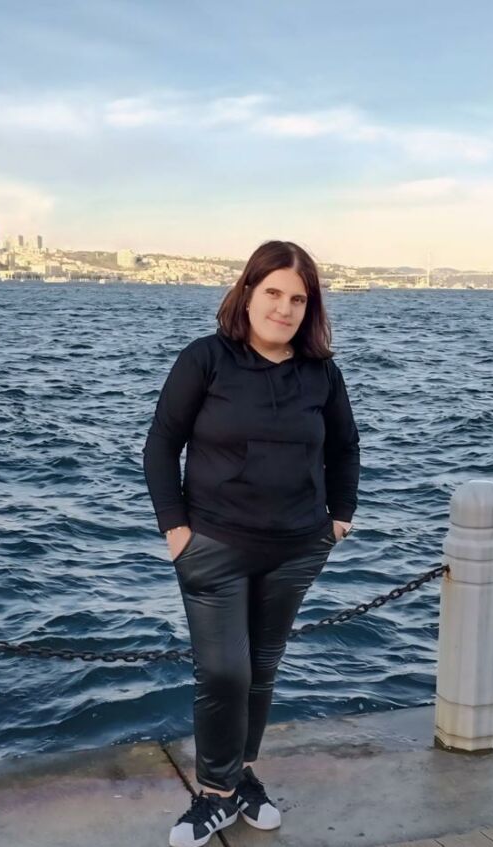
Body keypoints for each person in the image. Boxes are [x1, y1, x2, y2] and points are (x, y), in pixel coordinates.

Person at [143, 239, 360, 847]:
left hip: (296, 547)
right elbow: (161, 444)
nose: (284, 308)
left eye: (298, 299)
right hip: (213, 545)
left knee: (261, 669)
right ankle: (215, 794)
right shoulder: (206, 359)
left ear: (309, 308)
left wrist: (339, 518)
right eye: (273, 293)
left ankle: (242, 776)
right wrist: (176, 529)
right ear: (247, 293)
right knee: (224, 672)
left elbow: (345, 447)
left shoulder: (321, 372)